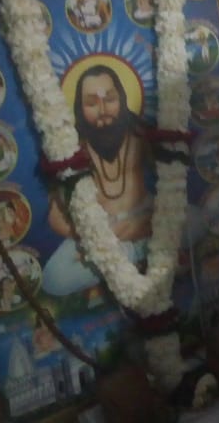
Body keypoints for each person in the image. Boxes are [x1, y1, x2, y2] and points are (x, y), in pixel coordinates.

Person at [42, 64, 152, 296]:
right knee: (53, 279)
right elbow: (56, 218)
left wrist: (147, 221)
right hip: (98, 230)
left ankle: (126, 257)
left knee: (197, 223)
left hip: (144, 217)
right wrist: (100, 238)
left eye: (110, 99)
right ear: (79, 108)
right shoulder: (69, 149)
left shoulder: (141, 134)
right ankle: (135, 255)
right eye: (92, 103)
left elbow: (172, 188)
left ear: (122, 98)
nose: (102, 110)